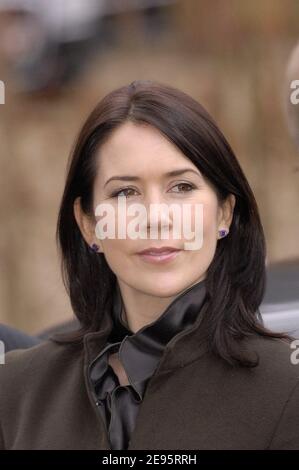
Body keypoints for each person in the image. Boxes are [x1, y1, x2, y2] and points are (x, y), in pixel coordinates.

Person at [0, 79, 299, 450]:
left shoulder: (288, 388)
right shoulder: (18, 389)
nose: (156, 217)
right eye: (126, 192)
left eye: (182, 187)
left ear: (224, 212)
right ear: (88, 223)